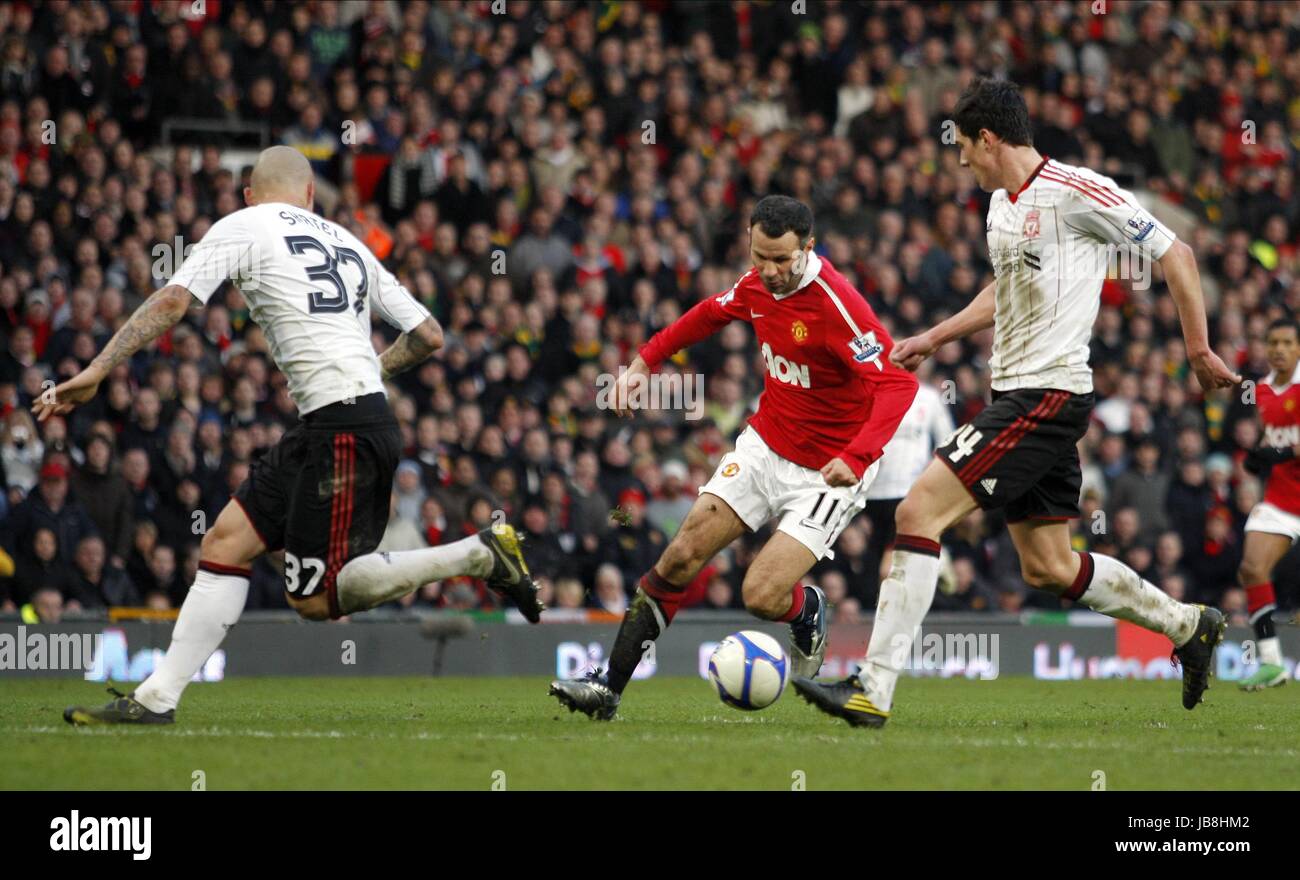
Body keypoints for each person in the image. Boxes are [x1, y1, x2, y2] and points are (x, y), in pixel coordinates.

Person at [38, 146, 543, 726]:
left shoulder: (244, 224)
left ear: (250, 193)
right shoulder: (346, 239)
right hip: (338, 419)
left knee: (313, 599)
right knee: (225, 543)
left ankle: (477, 555)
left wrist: (99, 368)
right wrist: (366, 371)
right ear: (309, 194)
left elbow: (174, 299)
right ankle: (155, 699)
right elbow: (430, 334)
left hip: (343, 429)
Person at [793, 79, 1240, 728]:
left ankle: (872, 688)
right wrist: (935, 336)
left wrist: (1197, 349)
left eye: (963, 148)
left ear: (988, 139)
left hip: (1047, 394)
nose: (960, 161)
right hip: (1022, 393)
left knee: (919, 509)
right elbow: (1005, 290)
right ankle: (1188, 624)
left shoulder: (1076, 190)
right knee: (1049, 565)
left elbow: (1178, 255)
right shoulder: (1001, 205)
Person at [550, 194, 918, 720]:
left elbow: (897, 384)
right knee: (679, 555)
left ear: (808, 247)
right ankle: (607, 687)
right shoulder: (755, 286)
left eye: (781, 260)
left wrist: (858, 457)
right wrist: (643, 361)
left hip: (828, 472)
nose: (768, 271)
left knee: (762, 596)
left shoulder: (837, 304)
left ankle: (806, 609)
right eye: (758, 256)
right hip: (765, 445)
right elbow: (707, 315)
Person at [1236, 317, 1300, 691]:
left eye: (1286, 343)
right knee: (1251, 567)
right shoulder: (1260, 391)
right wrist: (1258, 453)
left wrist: (1282, 451)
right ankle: (1272, 662)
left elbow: (1286, 445)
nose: (1278, 349)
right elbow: (1270, 438)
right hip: (1280, 500)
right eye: (1272, 342)